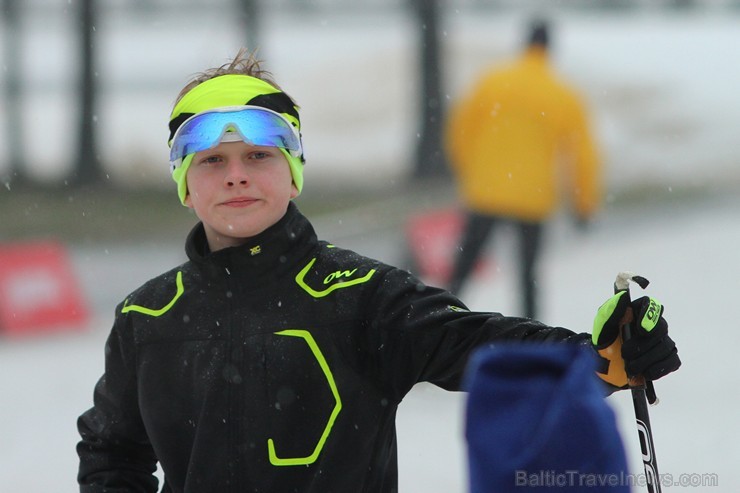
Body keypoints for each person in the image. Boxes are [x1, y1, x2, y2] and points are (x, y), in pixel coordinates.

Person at [76, 49, 679, 493]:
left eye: (259, 156)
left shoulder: (361, 296)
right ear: (184, 184)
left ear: (293, 173)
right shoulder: (147, 317)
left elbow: (479, 345)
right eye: (212, 161)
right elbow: (112, 454)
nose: (236, 175)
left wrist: (597, 357)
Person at [445, 19, 601, 319]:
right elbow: (583, 156)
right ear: (550, 48)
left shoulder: (492, 81)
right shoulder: (562, 93)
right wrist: (583, 205)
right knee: (528, 276)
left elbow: (460, 130)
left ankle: (440, 320)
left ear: (524, 42)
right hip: (533, 196)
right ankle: (531, 337)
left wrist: (467, 172)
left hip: (486, 191)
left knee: (463, 267)